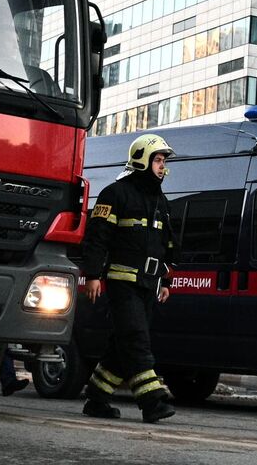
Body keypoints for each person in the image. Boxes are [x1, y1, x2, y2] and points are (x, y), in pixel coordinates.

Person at [78, 133, 177, 423]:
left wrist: (166, 281)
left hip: (148, 285)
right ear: (142, 160)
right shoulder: (115, 194)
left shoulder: (160, 200)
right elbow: (97, 238)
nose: (162, 166)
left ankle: (96, 399)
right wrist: (93, 275)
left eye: (163, 161)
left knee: (121, 346)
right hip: (122, 284)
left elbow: (167, 244)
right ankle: (152, 401)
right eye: (158, 160)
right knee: (136, 339)